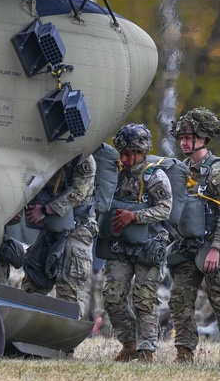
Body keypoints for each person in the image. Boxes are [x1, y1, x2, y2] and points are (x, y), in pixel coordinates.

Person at [167, 107, 220, 365]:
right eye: (182, 138)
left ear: (202, 138)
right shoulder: (181, 170)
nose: (184, 142)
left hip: (213, 246)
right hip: (187, 246)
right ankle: (184, 353)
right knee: (179, 299)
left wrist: (217, 249)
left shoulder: (218, 171)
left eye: (189, 137)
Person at [102, 123, 173, 363]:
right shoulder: (118, 174)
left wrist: (135, 216)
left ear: (141, 152)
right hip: (120, 244)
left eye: (129, 154)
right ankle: (130, 343)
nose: (125, 158)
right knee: (112, 297)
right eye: (122, 154)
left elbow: (165, 208)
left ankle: (146, 351)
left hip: (149, 245)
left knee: (144, 299)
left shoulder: (154, 176)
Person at [22, 154, 97, 318]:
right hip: (50, 228)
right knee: (32, 284)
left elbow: (78, 192)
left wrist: (44, 210)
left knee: (69, 290)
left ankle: (66, 340)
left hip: (78, 230)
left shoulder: (84, 159)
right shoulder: (46, 153)